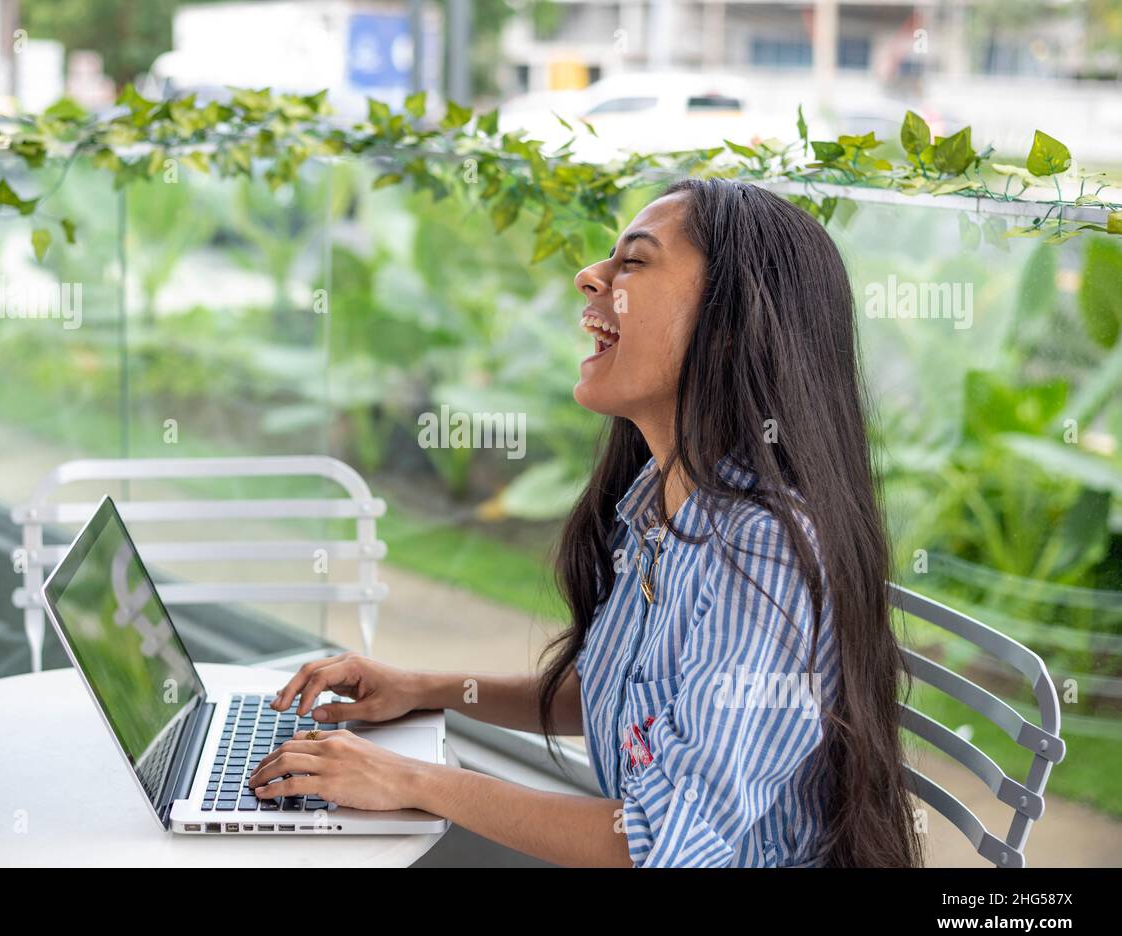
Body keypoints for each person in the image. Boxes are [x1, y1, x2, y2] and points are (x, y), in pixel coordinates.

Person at [249, 178, 923, 868]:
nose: (589, 277)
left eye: (631, 262)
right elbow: (623, 696)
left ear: (727, 327)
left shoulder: (761, 552)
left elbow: (658, 841)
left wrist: (409, 780)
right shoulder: (657, 501)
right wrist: (421, 687)